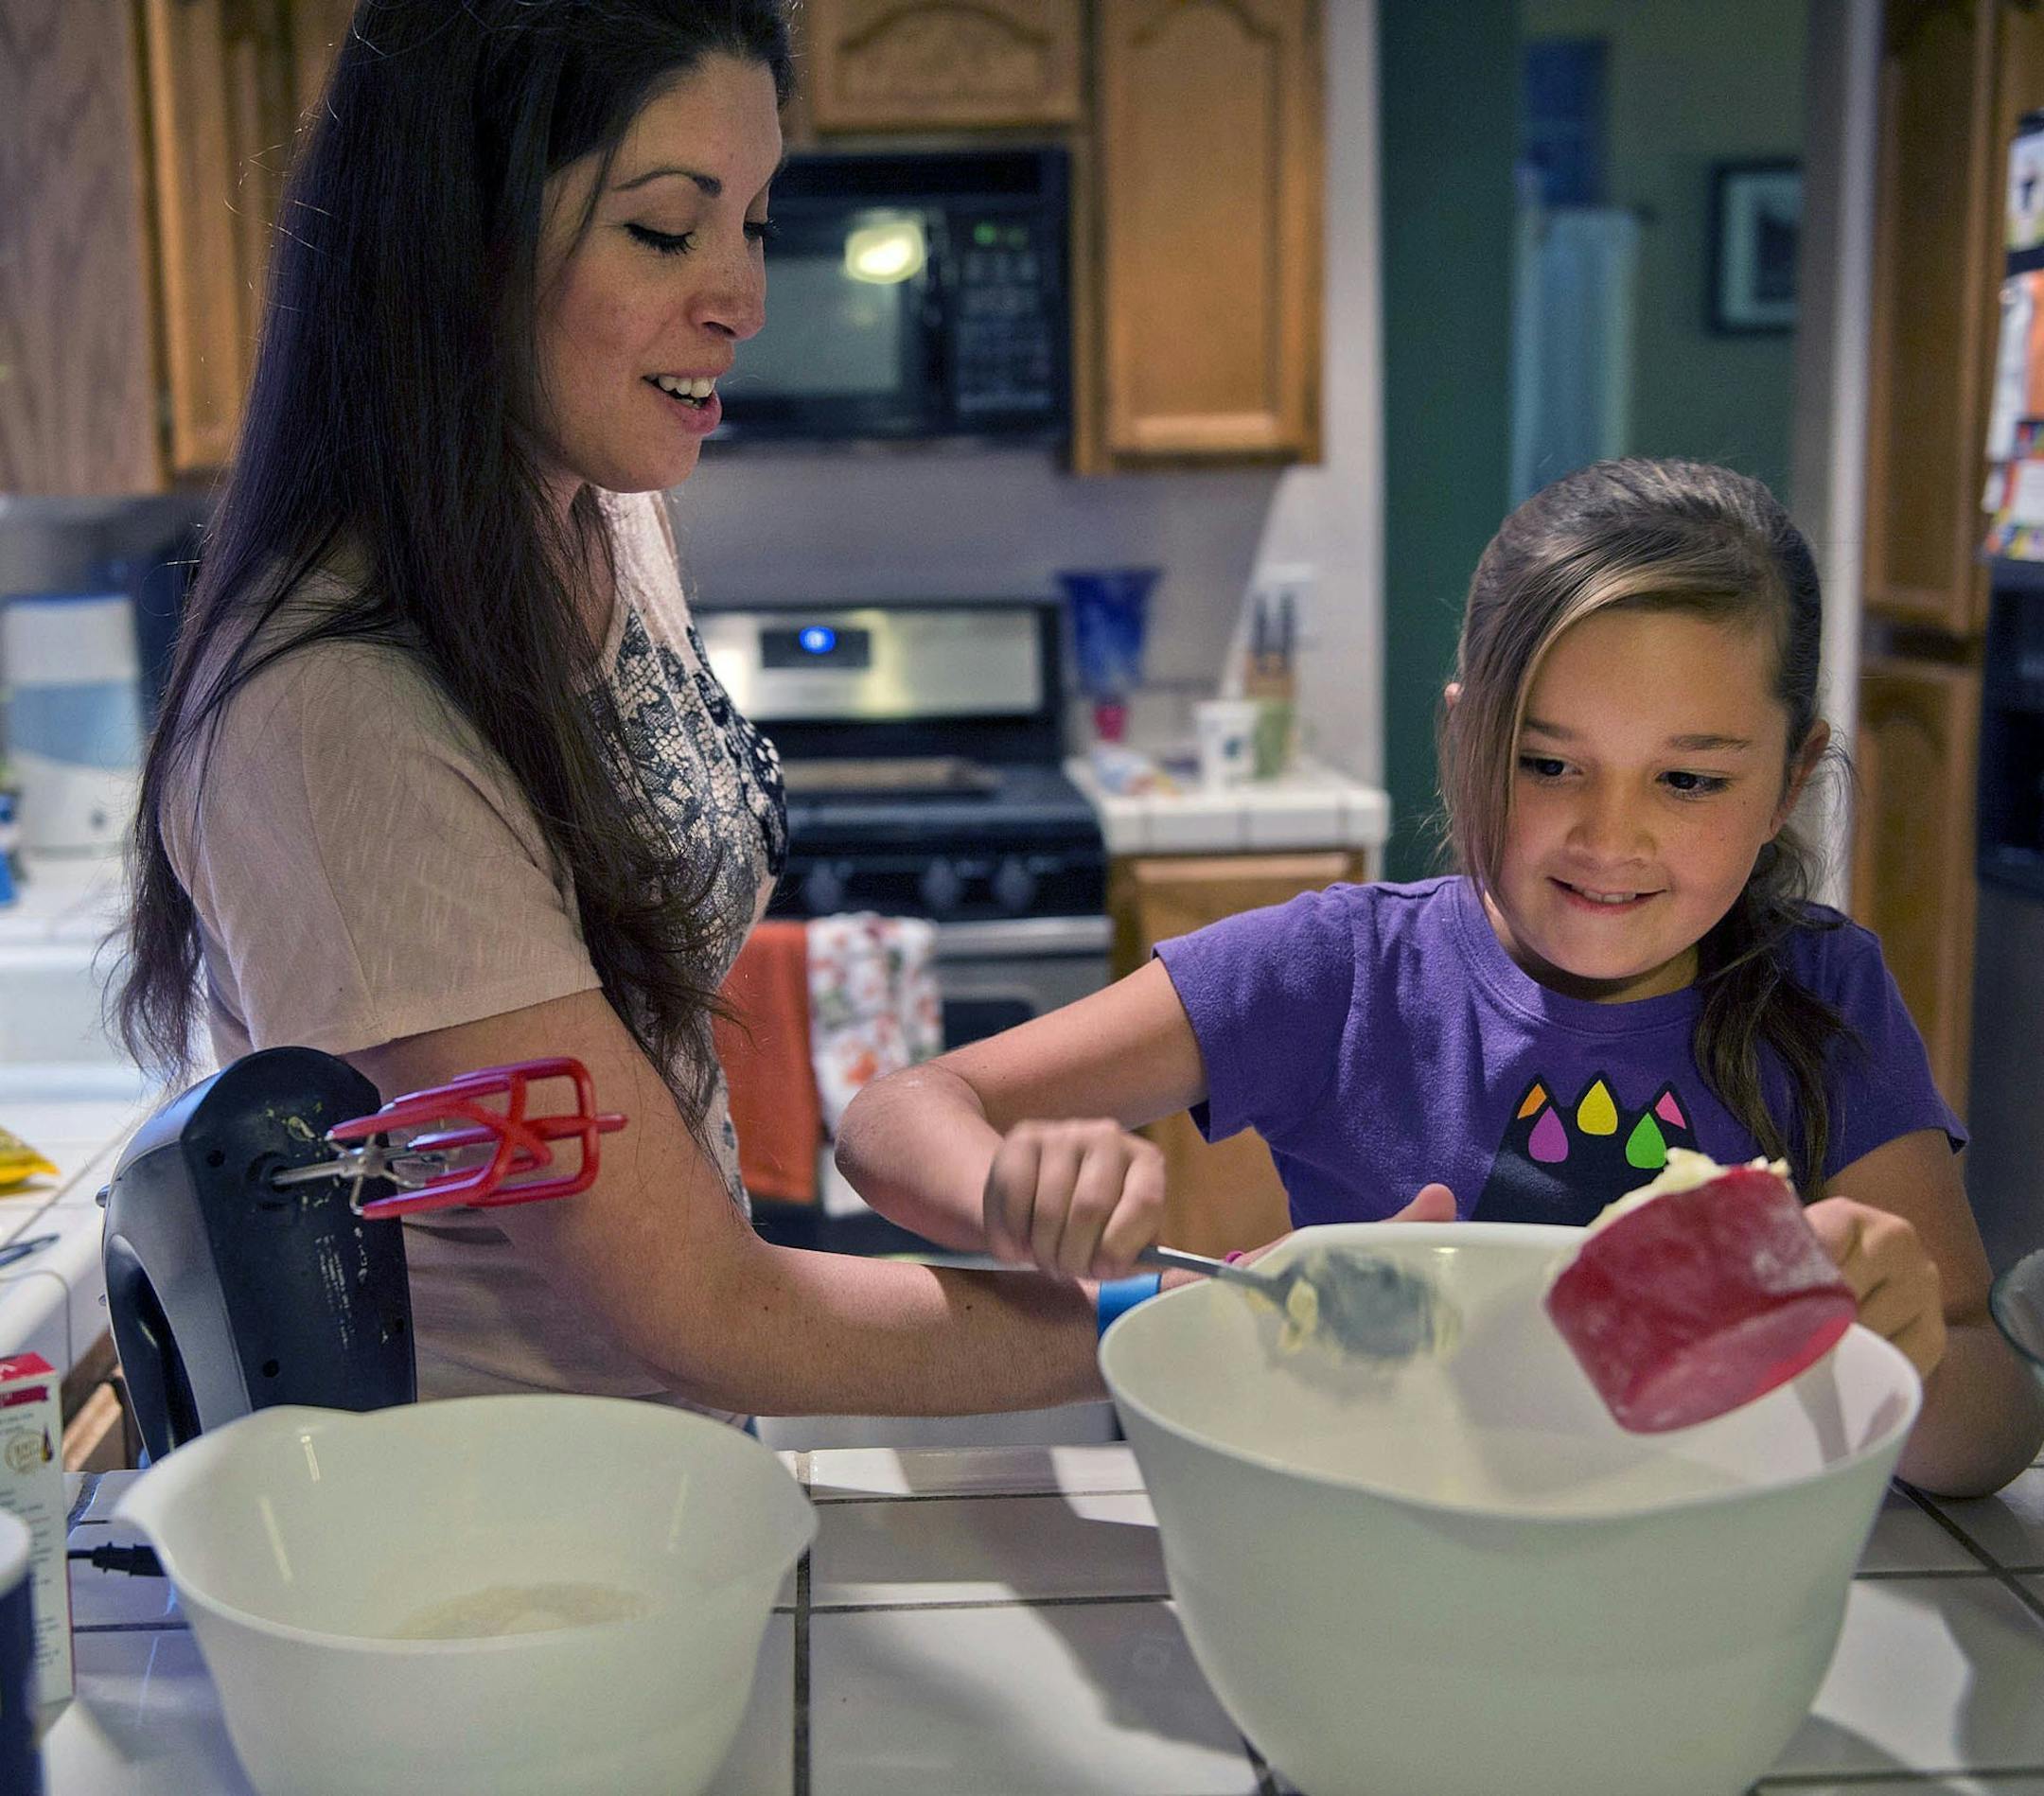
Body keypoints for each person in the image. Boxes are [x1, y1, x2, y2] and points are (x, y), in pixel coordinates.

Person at [116, 0, 1305, 1422]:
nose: (743, 295)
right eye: (669, 230)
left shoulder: (600, 517)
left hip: (665, 1466)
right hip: (492, 1527)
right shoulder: (335, 722)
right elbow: (708, 1309)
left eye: (755, 223)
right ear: (457, 242)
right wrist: (1191, 1315)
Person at [838, 459, 2044, 1496]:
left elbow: (1993, 1425)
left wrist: (1899, 1347)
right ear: (1468, 736)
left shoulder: (1823, 998)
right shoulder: (1341, 971)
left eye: (1689, 780)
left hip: (1694, 1582)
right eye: (1547, 762)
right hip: (1383, 1548)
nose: (1609, 837)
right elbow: (896, 1116)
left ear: (1789, 779)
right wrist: (1012, 1182)